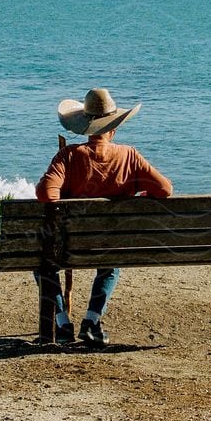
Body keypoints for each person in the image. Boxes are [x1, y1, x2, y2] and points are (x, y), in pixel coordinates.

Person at [36, 87, 174, 348]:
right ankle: (91, 321)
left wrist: (65, 201)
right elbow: (165, 190)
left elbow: (46, 193)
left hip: (68, 246)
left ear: (85, 128)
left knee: (43, 262)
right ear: (114, 128)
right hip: (108, 246)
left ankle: (63, 322)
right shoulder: (129, 156)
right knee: (111, 263)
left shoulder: (68, 156)